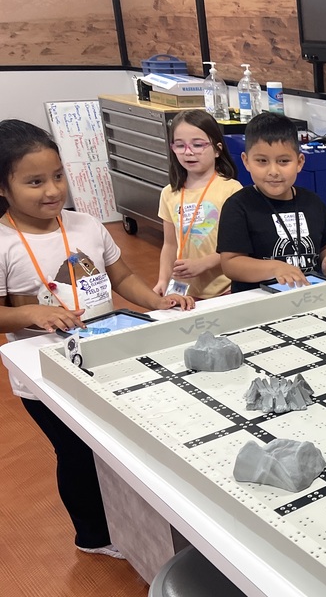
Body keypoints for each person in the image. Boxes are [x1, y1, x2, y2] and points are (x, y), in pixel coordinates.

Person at [0, 118, 195, 558]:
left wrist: (155, 300)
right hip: (41, 374)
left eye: (57, 176)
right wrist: (31, 311)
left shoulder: (86, 224)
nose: (52, 190)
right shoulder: (4, 242)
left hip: (103, 354)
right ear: (3, 188)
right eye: (34, 182)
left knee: (114, 446)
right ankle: (93, 535)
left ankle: (134, 523)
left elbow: (120, 274)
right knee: (75, 450)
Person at [217, 112, 326, 292]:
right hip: (259, 301)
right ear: (246, 162)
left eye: (283, 161)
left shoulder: (312, 202)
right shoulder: (238, 206)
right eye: (262, 161)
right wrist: (275, 268)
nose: (273, 171)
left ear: (299, 162)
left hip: (310, 294)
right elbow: (231, 264)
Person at [155, 110, 241, 299]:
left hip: (225, 289)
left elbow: (239, 247)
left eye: (197, 144)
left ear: (217, 149)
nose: (188, 152)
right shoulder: (169, 193)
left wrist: (204, 263)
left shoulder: (231, 189)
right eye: (180, 145)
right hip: (185, 291)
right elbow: (169, 245)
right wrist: (163, 279)